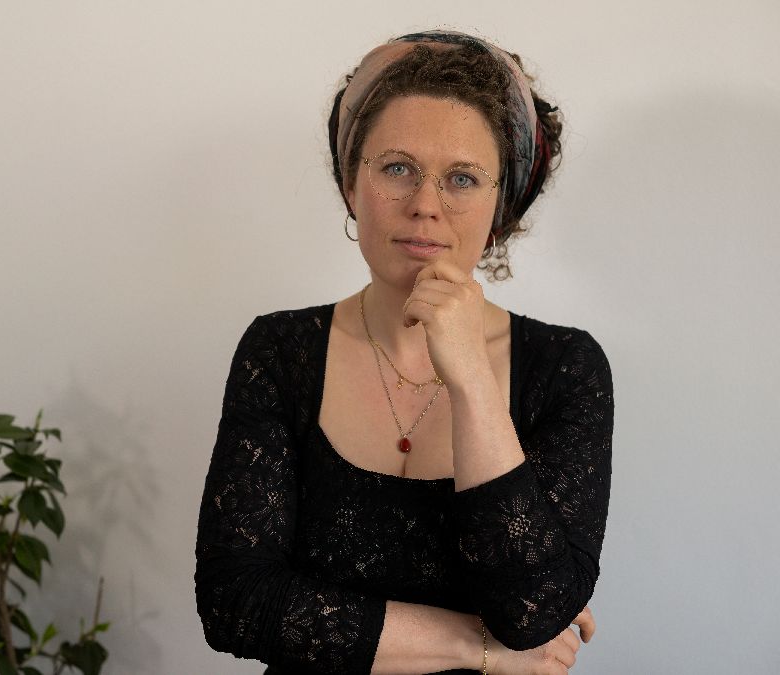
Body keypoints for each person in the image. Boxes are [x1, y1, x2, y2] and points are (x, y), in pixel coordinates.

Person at [195, 29, 614, 675]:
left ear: (499, 207)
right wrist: (474, 646)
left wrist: (472, 379)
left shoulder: (567, 367)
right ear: (350, 184)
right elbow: (236, 603)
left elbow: (533, 610)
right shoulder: (280, 349)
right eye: (397, 168)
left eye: (462, 179)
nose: (425, 206)